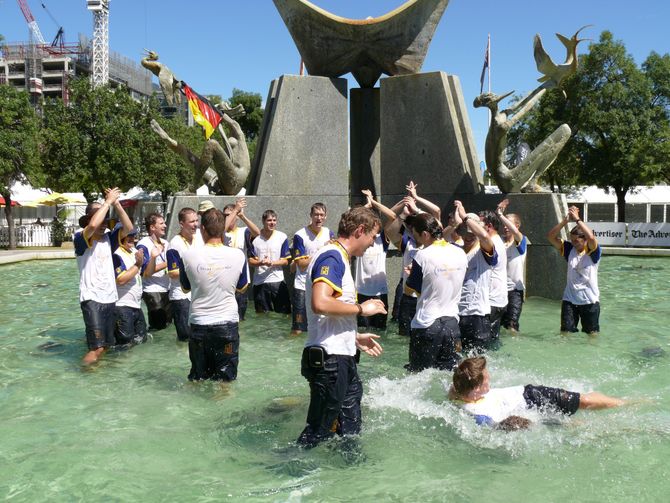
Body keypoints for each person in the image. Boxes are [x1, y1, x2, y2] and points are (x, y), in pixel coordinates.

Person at [297, 206, 386, 448]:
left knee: (349, 426)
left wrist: (354, 336)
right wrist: (361, 309)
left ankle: (349, 472)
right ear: (360, 230)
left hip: (341, 356)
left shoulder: (340, 258)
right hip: (330, 361)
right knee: (318, 431)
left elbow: (329, 314)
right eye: (372, 236)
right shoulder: (331, 256)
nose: (372, 244)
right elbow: (320, 302)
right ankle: (289, 475)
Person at [448, 356, 625, 428]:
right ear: (477, 388)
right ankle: (624, 428)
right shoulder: (475, 413)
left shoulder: (459, 389)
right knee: (572, 426)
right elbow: (493, 427)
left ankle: (625, 403)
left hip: (532, 396)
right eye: (487, 377)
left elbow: (454, 386)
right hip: (528, 414)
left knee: (585, 401)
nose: (490, 377)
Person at [179, 209, 249, 381]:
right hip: (227, 325)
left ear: (202, 228)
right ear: (222, 229)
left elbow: (185, 288)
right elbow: (242, 287)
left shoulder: (187, 256)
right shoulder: (238, 255)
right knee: (226, 380)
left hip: (199, 324)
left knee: (198, 378)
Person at [74, 188, 134, 364]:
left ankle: (93, 376)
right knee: (97, 348)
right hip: (92, 298)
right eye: (100, 219)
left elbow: (129, 228)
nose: (102, 224)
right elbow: (92, 226)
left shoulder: (109, 238)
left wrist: (116, 203)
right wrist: (107, 202)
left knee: (106, 345)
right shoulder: (80, 237)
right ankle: (81, 376)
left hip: (109, 297)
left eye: (105, 221)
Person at [404, 213, 467, 371]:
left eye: (416, 236)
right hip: (452, 324)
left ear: (425, 234)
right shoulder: (460, 252)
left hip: (427, 324)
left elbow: (409, 290)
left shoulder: (422, 256)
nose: (416, 240)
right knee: (449, 376)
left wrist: (410, 275)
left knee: (418, 376)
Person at [547, 206, 602, 334]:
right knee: (565, 332)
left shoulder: (592, 252)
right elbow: (550, 237)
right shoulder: (569, 249)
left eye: (577, 241)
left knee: (592, 334)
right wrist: (565, 221)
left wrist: (577, 219)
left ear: (585, 240)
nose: (574, 243)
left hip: (589, 300)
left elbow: (592, 238)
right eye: (572, 240)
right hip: (569, 299)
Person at [452, 201, 498, 352]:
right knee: (456, 359)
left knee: (477, 362)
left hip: (477, 315)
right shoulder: (455, 250)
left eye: (472, 233)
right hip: (456, 313)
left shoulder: (483, 250)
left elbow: (484, 236)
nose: (468, 236)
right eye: (465, 233)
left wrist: (465, 217)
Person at [291, 203, 334, 335]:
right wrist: (322, 250)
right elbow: (302, 264)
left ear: (325, 217)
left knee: (321, 326)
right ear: (311, 216)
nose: (319, 218)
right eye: (316, 214)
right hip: (302, 286)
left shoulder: (329, 233)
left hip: (321, 285)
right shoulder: (300, 235)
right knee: (298, 328)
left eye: (321, 215)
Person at [357, 189, 397, 330]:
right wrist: (366, 207)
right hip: (361, 291)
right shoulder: (358, 238)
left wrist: (373, 201)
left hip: (380, 293)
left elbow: (393, 216)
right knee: (362, 330)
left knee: (380, 331)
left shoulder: (382, 240)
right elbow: (350, 218)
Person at [166, 207, 203, 342]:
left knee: (198, 335)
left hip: (197, 294)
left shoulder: (199, 237)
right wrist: (195, 270)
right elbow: (172, 272)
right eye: (192, 222)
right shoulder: (174, 244)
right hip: (181, 296)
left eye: (196, 221)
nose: (195, 224)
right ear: (182, 224)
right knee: (185, 337)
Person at [223, 197, 260, 321]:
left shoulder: (243, 231)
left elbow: (257, 233)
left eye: (230, 215)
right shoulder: (220, 232)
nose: (228, 217)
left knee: (240, 317)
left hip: (242, 280)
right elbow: (222, 229)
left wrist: (242, 216)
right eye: (226, 215)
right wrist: (235, 210)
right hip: (224, 280)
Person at [248, 209, 292, 314]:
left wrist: (272, 263)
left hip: (278, 281)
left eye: (274, 220)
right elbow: (250, 260)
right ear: (263, 221)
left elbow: (286, 261)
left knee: (284, 314)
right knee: (261, 316)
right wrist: (261, 263)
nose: (272, 223)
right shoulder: (254, 238)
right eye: (269, 220)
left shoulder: (282, 237)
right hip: (260, 282)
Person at [112, 226, 147, 345]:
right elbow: (121, 279)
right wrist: (138, 264)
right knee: (125, 344)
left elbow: (145, 272)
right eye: (129, 236)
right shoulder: (116, 254)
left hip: (136, 306)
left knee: (142, 340)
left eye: (133, 235)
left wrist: (153, 256)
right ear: (119, 236)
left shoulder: (134, 251)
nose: (132, 238)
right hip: (122, 306)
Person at [496, 199, 527, 332]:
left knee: (512, 325)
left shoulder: (521, 241)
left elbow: (515, 232)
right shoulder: (498, 241)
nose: (505, 227)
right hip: (498, 289)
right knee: (498, 324)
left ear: (517, 225)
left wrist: (500, 215)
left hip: (515, 290)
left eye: (508, 224)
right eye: (503, 224)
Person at [137, 213, 172, 330]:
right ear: (152, 227)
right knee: (158, 328)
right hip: (152, 291)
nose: (165, 226)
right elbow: (145, 272)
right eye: (161, 223)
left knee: (167, 325)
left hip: (167, 289)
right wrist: (169, 263)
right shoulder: (143, 244)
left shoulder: (165, 243)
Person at [479, 209, 508, 342]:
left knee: (483, 342)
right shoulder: (497, 240)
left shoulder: (492, 242)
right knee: (492, 340)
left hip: (491, 300)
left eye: (479, 223)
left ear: (489, 226)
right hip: (498, 299)